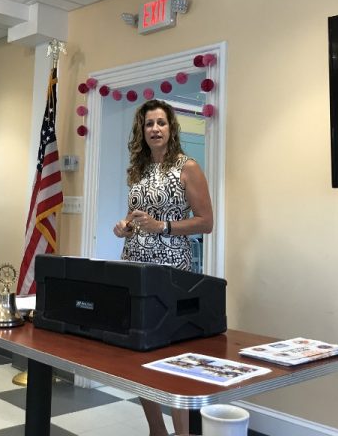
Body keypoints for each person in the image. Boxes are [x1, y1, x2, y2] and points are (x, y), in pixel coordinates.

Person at [113, 99, 213, 436]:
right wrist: (124, 225)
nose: (155, 129)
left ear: (171, 128)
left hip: (172, 270)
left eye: (161, 123)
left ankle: (182, 432)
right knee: (141, 353)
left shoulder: (188, 167)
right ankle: (157, 429)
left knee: (172, 357)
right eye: (149, 124)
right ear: (141, 132)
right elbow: (135, 215)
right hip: (135, 267)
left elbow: (206, 222)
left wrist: (164, 227)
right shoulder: (138, 170)